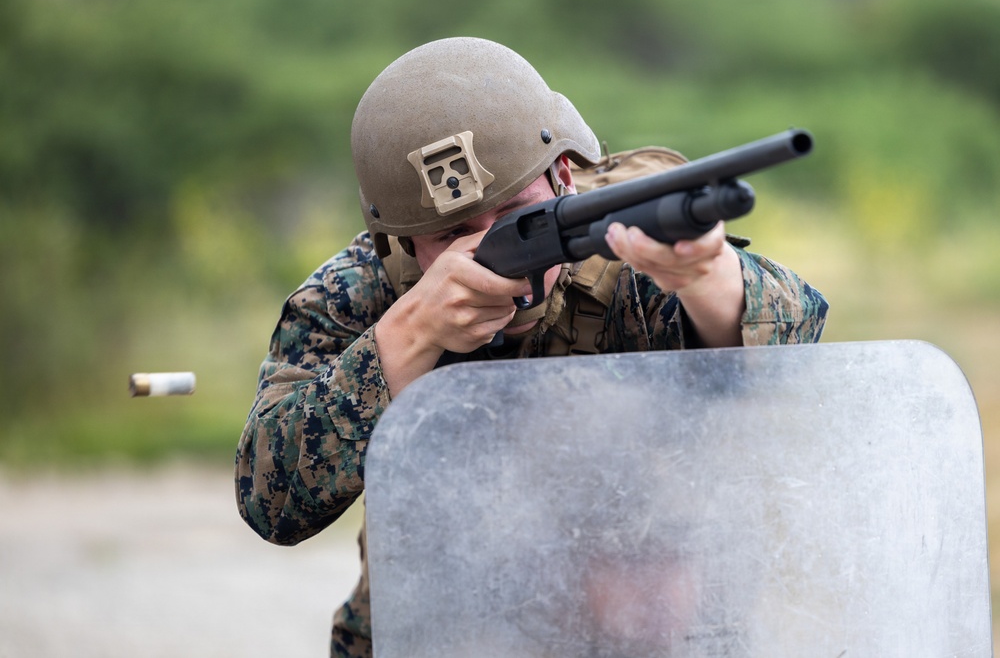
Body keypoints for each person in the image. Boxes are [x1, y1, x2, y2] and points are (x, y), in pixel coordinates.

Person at [235, 36, 828, 658]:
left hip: (656, 621)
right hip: (441, 625)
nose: (493, 250)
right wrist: (408, 340)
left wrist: (713, 283)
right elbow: (270, 502)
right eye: (453, 235)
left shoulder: (627, 243)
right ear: (403, 241)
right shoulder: (357, 295)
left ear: (563, 175)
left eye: (515, 213)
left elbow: (801, 350)